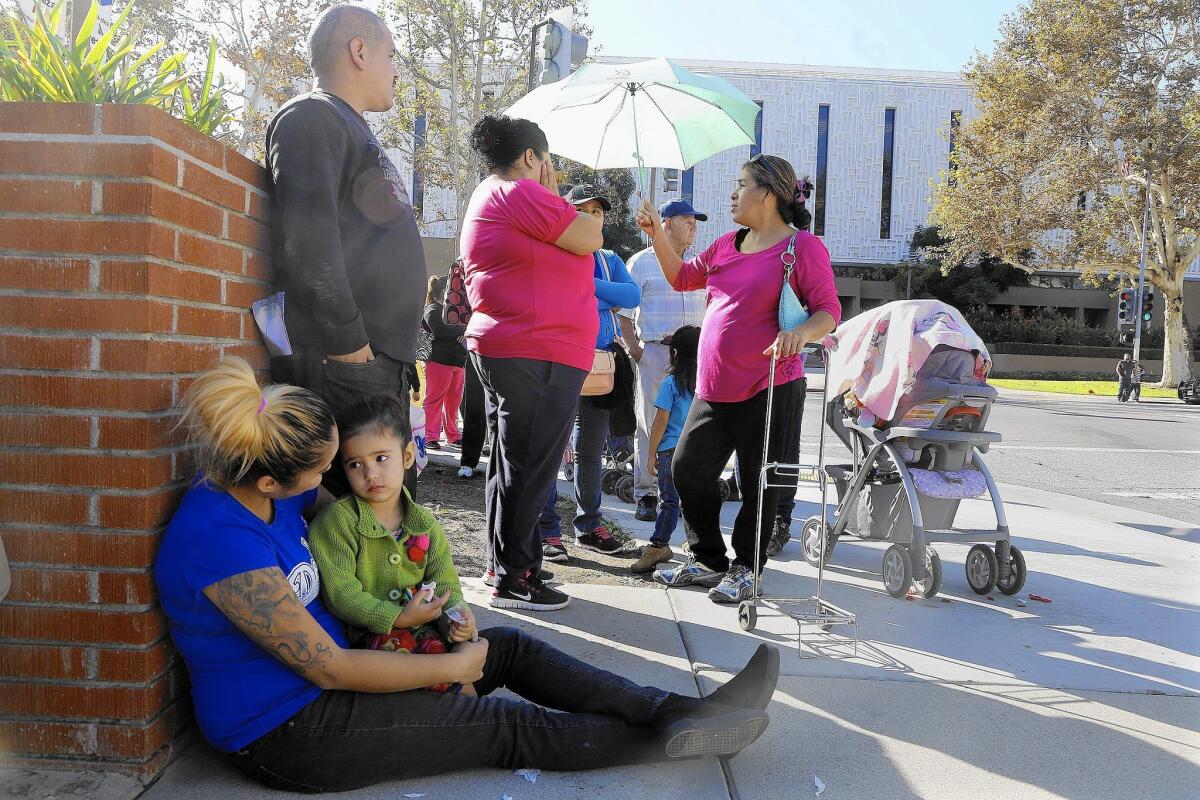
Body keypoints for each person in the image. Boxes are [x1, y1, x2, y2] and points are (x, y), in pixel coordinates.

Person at [155, 358, 781, 793]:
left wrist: (448, 607)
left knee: (501, 647)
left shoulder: (272, 490)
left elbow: (388, 528)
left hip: (351, 669)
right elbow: (326, 667)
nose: (331, 486)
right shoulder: (218, 541)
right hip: (290, 731)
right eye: (322, 473)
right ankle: (675, 738)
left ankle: (685, 711)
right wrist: (448, 669)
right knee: (500, 728)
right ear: (267, 477)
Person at [636, 155, 841, 604]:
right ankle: (709, 560)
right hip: (714, 386)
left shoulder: (801, 248)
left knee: (757, 481)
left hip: (770, 384)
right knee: (688, 469)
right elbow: (681, 276)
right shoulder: (728, 244)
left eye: (741, 184)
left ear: (767, 194)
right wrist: (656, 236)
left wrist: (799, 334)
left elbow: (828, 309)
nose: (732, 193)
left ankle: (747, 568)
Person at [264, 5, 424, 496]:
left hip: (373, 362)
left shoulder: (347, 125)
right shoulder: (313, 117)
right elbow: (308, 241)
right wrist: (350, 344)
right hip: (347, 362)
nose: (396, 69)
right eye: (391, 55)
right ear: (359, 51)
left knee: (390, 525)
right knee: (352, 525)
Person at [459, 114, 604, 611]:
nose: (551, 172)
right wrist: (556, 194)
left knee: (511, 464)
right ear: (530, 157)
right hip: (534, 350)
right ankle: (516, 577)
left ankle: (503, 565)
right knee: (528, 468)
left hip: (518, 347)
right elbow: (590, 234)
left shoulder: (494, 194)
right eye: (547, 161)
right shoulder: (519, 193)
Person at [309, 395, 470, 694]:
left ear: (407, 456)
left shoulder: (424, 524)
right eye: (356, 464)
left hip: (426, 630)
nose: (370, 474)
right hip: (366, 642)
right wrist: (396, 617)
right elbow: (342, 594)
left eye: (381, 458)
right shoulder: (337, 523)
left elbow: (446, 582)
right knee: (435, 673)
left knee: (465, 656)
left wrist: (457, 617)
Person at [538, 184, 641, 564]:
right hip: (560, 362)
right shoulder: (553, 254)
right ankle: (548, 531)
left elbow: (631, 298)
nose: (592, 218)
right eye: (583, 211)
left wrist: (589, 287)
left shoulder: (608, 258)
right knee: (551, 451)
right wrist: (606, 296)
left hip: (600, 368)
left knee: (591, 452)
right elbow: (556, 297)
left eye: (598, 212)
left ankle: (589, 527)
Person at [619, 200, 709, 523]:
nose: (694, 226)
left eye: (695, 220)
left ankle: (683, 487)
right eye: (688, 219)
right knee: (650, 422)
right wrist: (636, 351)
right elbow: (624, 314)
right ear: (666, 223)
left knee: (692, 423)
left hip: (693, 357)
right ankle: (646, 491)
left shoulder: (698, 267)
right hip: (656, 351)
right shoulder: (640, 264)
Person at [632, 325, 699, 574]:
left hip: (671, 451)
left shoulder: (671, 383)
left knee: (669, 501)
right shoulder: (706, 381)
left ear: (674, 355)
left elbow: (661, 419)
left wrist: (651, 453)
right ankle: (698, 547)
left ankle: (659, 545)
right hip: (698, 451)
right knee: (694, 502)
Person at [420, 275, 467, 450]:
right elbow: (440, 330)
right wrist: (461, 329)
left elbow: (454, 329)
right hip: (438, 362)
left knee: (454, 401)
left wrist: (460, 329)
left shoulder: (451, 310)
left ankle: (453, 435)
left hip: (457, 362)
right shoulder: (432, 309)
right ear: (443, 291)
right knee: (434, 400)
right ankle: (429, 436)